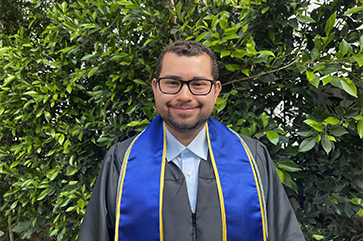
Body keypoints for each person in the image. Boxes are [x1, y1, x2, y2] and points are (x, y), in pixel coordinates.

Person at [78, 40, 305, 241]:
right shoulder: (122, 161)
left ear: (215, 91)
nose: (185, 96)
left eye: (198, 84)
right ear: (155, 88)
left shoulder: (252, 157)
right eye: (172, 82)